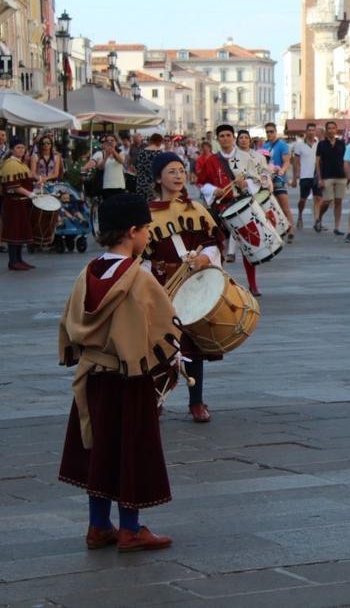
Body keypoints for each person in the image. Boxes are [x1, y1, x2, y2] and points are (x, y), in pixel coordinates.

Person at [57, 192, 177, 552]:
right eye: (146, 230)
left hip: (92, 376)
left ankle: (97, 526)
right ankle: (130, 528)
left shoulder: (88, 270)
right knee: (131, 448)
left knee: (99, 448)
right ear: (132, 230)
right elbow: (163, 328)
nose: (148, 238)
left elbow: (68, 320)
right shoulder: (137, 278)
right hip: (130, 377)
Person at [143, 153, 225, 423]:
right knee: (157, 345)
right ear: (158, 178)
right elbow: (140, 255)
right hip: (161, 286)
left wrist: (203, 258)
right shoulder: (145, 214)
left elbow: (213, 242)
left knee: (193, 345)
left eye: (181, 170)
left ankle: (196, 401)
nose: (178, 176)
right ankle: (155, 399)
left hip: (193, 285)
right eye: (171, 171)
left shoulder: (196, 209)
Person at [195, 124, 266, 295]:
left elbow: (257, 180)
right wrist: (213, 190)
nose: (225, 138)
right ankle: (218, 283)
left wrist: (246, 184)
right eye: (222, 136)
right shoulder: (211, 160)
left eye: (228, 135)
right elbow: (201, 182)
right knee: (218, 246)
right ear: (217, 139)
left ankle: (253, 284)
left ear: (233, 138)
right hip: (219, 207)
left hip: (241, 205)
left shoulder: (244, 157)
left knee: (247, 246)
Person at [1, 140, 36, 270]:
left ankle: (19, 259)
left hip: (21, 203)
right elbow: (13, 186)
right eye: (18, 147)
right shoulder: (11, 164)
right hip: (13, 203)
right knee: (14, 231)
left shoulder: (20, 163)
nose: (21, 150)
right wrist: (29, 194)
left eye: (23, 147)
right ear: (12, 149)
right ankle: (13, 261)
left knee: (20, 231)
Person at [262, 122, 294, 244]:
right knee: (270, 208)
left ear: (276, 131)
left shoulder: (282, 145)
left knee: (284, 206)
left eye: (271, 131)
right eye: (267, 132)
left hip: (278, 180)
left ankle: (290, 231)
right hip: (266, 181)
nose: (269, 134)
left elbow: (286, 161)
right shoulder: (264, 146)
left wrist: (282, 171)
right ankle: (276, 231)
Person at [314, 120, 348, 235]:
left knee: (339, 201)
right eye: (329, 128)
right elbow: (318, 162)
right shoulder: (321, 144)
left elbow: (346, 160)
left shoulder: (341, 143)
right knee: (327, 200)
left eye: (333, 128)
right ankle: (319, 218)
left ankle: (337, 227)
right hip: (326, 176)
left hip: (340, 176)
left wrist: (348, 175)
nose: (331, 130)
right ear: (326, 130)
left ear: (336, 129)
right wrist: (319, 178)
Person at [292, 123, 320, 229]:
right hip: (304, 176)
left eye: (313, 130)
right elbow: (295, 162)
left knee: (317, 198)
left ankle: (317, 220)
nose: (311, 132)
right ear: (306, 132)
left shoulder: (319, 144)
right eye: (310, 130)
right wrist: (295, 178)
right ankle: (300, 216)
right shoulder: (299, 145)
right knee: (302, 199)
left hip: (316, 176)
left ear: (315, 132)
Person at [133, 134, 165, 202]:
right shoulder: (160, 153)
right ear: (160, 142)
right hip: (155, 185)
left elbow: (136, 166)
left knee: (142, 206)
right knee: (155, 206)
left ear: (150, 141)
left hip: (142, 183)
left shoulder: (142, 152)